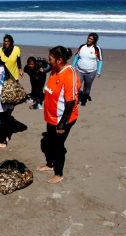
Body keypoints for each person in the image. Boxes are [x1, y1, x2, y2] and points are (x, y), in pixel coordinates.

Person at [37, 46, 80, 184]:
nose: (49, 61)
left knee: (58, 146)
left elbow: (71, 101)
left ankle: (59, 173)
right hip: (51, 116)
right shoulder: (55, 69)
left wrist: (62, 122)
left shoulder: (69, 74)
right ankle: (49, 164)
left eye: (51, 59)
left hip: (63, 119)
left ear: (60, 60)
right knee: (49, 142)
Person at [72, 33, 103, 106]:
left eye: (91, 39)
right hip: (79, 70)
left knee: (87, 87)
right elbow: (76, 56)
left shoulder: (96, 48)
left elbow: (100, 60)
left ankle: (84, 100)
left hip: (91, 72)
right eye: (89, 38)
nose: (89, 40)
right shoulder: (82, 46)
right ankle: (76, 100)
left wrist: (99, 71)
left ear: (94, 40)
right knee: (77, 86)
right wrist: (73, 66)